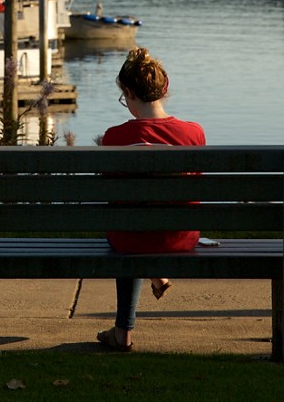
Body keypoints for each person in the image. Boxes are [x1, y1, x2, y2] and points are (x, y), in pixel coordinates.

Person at [96, 47, 206, 352]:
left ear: (129, 92)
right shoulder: (193, 134)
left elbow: (114, 198)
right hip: (179, 237)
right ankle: (156, 274)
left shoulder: (114, 138)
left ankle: (123, 332)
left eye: (124, 98)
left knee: (129, 224)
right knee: (138, 223)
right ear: (165, 88)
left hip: (128, 238)